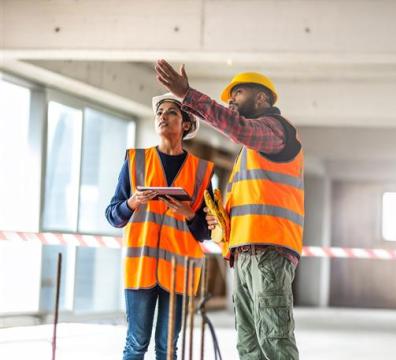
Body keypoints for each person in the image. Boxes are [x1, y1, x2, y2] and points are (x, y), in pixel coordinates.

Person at [155, 59, 303, 359]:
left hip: (269, 253)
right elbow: (253, 202)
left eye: (238, 93)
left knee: (274, 340)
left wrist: (187, 95)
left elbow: (237, 127)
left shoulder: (276, 132)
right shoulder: (249, 156)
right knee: (248, 345)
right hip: (245, 254)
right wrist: (220, 219)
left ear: (261, 98)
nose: (231, 100)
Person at [105, 92, 215, 360]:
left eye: (171, 113)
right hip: (141, 268)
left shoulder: (201, 171)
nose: (163, 116)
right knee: (136, 344)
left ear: (186, 124)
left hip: (180, 272)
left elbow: (206, 231)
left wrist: (190, 213)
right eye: (159, 113)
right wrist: (131, 202)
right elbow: (112, 215)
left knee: (167, 347)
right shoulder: (135, 161)